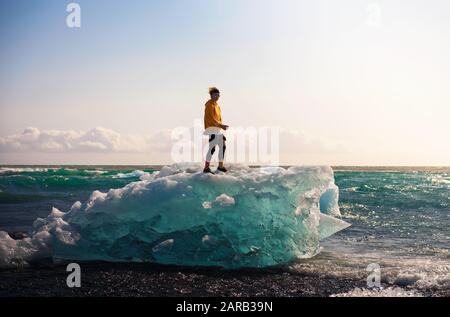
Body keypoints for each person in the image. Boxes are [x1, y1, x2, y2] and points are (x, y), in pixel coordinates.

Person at [203, 87, 229, 173]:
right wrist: (221, 126)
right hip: (211, 129)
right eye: (215, 95)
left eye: (218, 95)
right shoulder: (209, 105)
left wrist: (221, 127)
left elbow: (218, 118)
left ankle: (220, 166)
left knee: (223, 146)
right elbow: (211, 119)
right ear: (211, 95)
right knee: (212, 148)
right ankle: (206, 168)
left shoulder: (217, 106)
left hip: (217, 129)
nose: (217, 96)